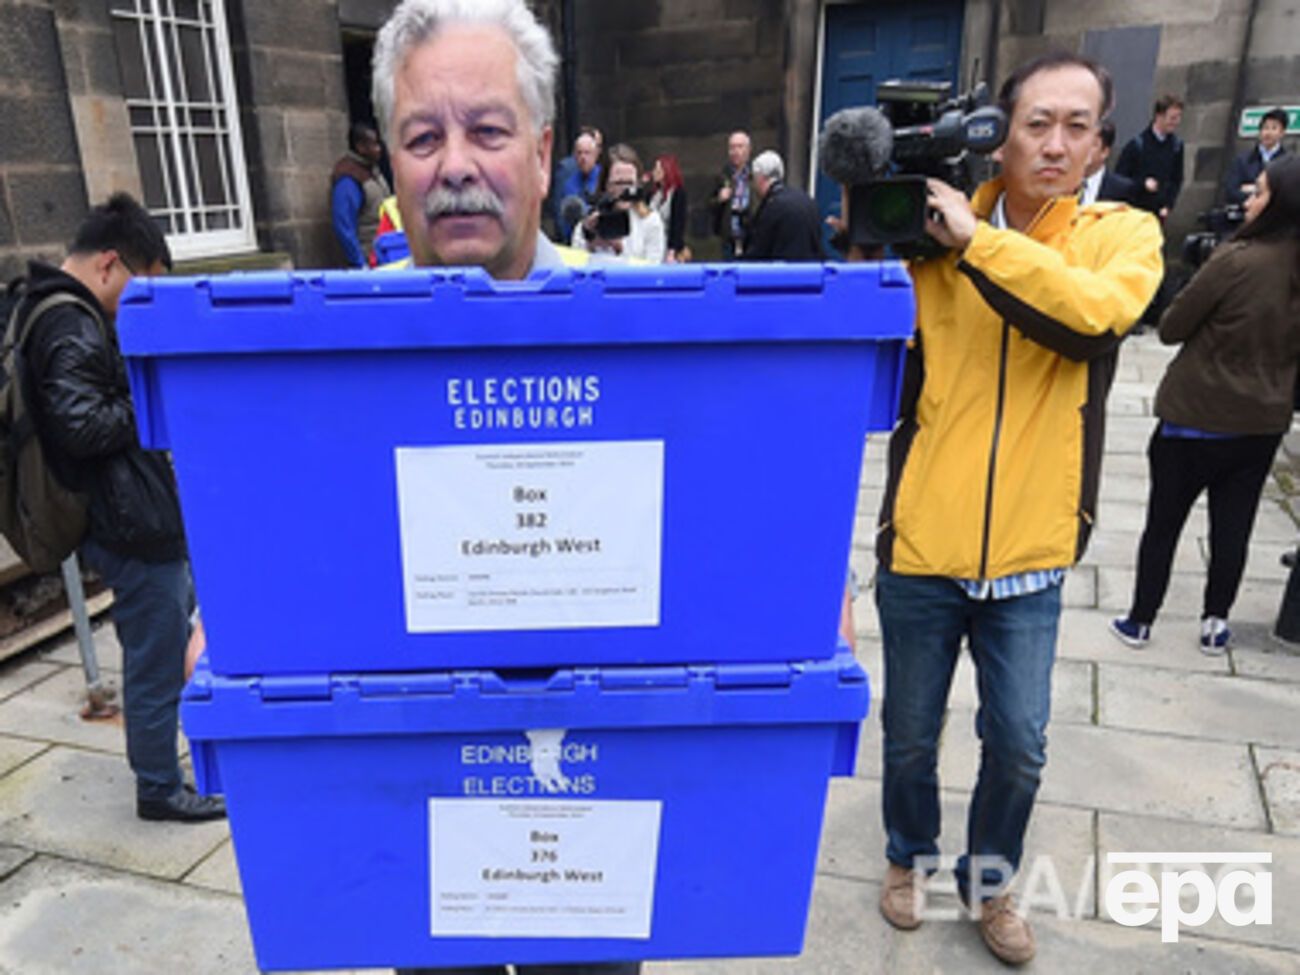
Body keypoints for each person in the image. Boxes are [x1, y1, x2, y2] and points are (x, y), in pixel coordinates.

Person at [870, 52, 1162, 965]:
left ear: (1100, 142)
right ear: (1002, 131)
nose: (1056, 142)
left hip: (1032, 549)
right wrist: (873, 229)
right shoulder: (934, 228)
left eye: (1078, 126)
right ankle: (905, 854)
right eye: (1038, 122)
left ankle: (991, 884)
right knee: (910, 734)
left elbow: (1087, 317)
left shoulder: (1123, 235)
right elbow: (874, 344)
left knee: (1022, 744)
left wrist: (977, 242)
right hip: (924, 540)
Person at [371, 1, 642, 971]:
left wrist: (809, 584)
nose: (453, 165)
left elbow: (733, 462)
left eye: (485, 131)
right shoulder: (334, 343)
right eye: (421, 137)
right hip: (422, 762)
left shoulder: (639, 327)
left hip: (601, 767)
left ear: (538, 155)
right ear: (392, 171)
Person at [18, 193, 225, 823]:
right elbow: (79, 426)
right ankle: (159, 787)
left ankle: (162, 769)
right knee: (156, 659)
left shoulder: (50, 310)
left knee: (160, 641)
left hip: (123, 516)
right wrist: (156, 401)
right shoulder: (71, 322)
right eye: (143, 284)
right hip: (129, 525)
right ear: (109, 263)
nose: (143, 299)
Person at [1111, 154, 1300, 654]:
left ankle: (1140, 619)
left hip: (1194, 417)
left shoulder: (1236, 261)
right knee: (1233, 527)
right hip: (1262, 422)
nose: (1249, 199)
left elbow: (1172, 328)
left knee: (1165, 523)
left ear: (1279, 204)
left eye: (1259, 192)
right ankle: (1215, 622)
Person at [572, 143, 665, 262]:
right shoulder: (589, 223)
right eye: (618, 183)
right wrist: (590, 245)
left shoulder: (651, 222)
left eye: (630, 183)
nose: (625, 190)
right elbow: (576, 267)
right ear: (605, 185)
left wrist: (620, 249)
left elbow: (652, 272)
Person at [741, 150, 824, 261]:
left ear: (760, 177)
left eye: (753, 178)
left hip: (783, 274)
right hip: (810, 272)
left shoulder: (771, 208)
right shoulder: (807, 200)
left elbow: (759, 252)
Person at [332, 121, 392, 267]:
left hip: (386, 253)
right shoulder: (349, 178)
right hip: (369, 257)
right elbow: (344, 226)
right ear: (360, 147)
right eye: (374, 144)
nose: (379, 149)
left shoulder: (373, 171)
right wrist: (360, 263)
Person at [1115, 94, 1185, 220]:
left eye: (1179, 117)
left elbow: (1176, 179)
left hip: (1158, 213)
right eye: (1172, 118)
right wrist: (1142, 184)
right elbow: (1119, 179)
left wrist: (1168, 205)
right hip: (1134, 211)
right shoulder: (1137, 145)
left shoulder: (1176, 146)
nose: (1176, 122)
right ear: (1159, 116)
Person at [1224, 107, 1290, 206]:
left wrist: (1255, 189)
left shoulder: (1288, 162)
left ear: (1282, 133)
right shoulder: (1242, 160)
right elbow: (1230, 192)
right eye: (1265, 128)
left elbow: (1288, 194)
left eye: (1274, 128)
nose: (1268, 133)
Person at [552, 128, 603, 243]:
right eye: (579, 153)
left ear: (596, 154)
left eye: (587, 153)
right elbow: (562, 219)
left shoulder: (604, 178)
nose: (583, 158)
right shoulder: (568, 184)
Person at [710, 131, 756, 258]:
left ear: (749, 149)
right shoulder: (723, 175)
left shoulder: (757, 174)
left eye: (739, 147)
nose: (735, 151)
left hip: (752, 237)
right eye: (732, 147)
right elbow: (710, 205)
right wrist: (719, 199)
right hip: (729, 238)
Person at [1079, 118, 1136, 206]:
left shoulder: (1121, 189)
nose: (1086, 148)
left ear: (1105, 152)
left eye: (1093, 144)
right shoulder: (1063, 183)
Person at [647, 154, 690, 262]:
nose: (654, 172)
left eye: (658, 170)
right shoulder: (653, 195)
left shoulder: (677, 194)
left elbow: (678, 222)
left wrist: (672, 250)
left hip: (668, 242)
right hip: (652, 241)